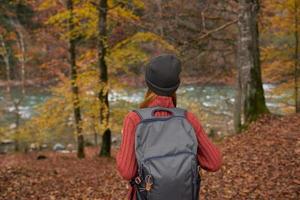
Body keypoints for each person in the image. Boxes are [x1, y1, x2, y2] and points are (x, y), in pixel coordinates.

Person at [116, 54, 222, 200]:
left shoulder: (134, 119)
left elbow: (127, 172)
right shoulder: (188, 119)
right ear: (176, 85)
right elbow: (214, 162)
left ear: (148, 83)